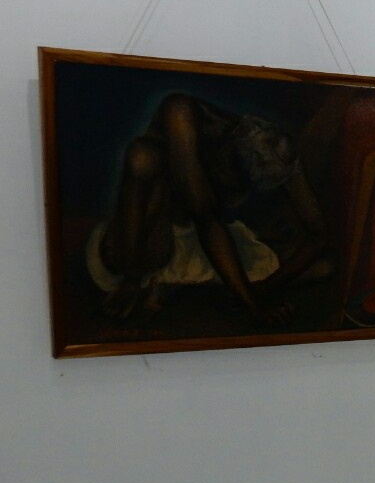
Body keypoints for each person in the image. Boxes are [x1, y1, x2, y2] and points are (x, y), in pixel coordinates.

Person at [87, 93, 329, 325]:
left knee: (323, 268)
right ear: (233, 141)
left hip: (203, 246)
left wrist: (265, 288)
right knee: (143, 156)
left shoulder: (281, 157)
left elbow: (319, 234)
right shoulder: (182, 114)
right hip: (144, 240)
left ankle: (179, 286)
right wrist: (255, 307)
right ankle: (139, 277)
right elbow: (206, 220)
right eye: (230, 168)